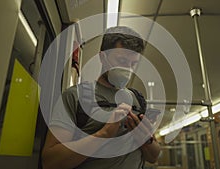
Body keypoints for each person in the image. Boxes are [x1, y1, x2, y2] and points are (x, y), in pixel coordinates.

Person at [42, 26, 161, 169]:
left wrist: (146, 139)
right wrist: (103, 134)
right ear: (103, 57)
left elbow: (153, 157)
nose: (128, 68)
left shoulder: (137, 100)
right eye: (122, 61)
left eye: (133, 64)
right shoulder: (76, 97)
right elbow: (50, 162)